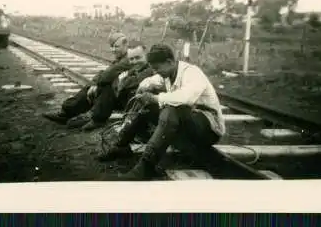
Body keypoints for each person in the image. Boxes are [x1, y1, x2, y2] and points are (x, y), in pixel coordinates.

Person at [98, 43, 226, 181]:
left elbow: (185, 98)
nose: (156, 71)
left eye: (157, 68)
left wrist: (155, 98)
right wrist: (143, 88)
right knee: (149, 107)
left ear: (169, 61)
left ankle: (146, 166)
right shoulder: (169, 72)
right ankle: (121, 146)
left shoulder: (192, 73)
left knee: (170, 109)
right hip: (190, 122)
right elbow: (152, 80)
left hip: (208, 128)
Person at [42, 32, 131, 130]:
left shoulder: (129, 59)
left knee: (104, 85)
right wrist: (94, 83)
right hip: (118, 93)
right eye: (112, 47)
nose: (113, 50)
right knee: (95, 85)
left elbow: (107, 75)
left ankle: (96, 119)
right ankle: (66, 113)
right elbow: (105, 72)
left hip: (126, 99)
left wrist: (96, 84)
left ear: (126, 45)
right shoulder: (121, 58)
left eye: (116, 47)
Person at [65, 39, 156, 131]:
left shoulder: (151, 68)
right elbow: (113, 78)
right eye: (131, 59)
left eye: (138, 58)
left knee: (110, 85)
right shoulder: (135, 67)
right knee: (106, 84)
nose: (135, 61)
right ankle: (93, 117)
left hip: (139, 105)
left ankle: (95, 117)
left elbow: (134, 80)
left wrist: (122, 81)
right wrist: (120, 82)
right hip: (127, 101)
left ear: (146, 55)